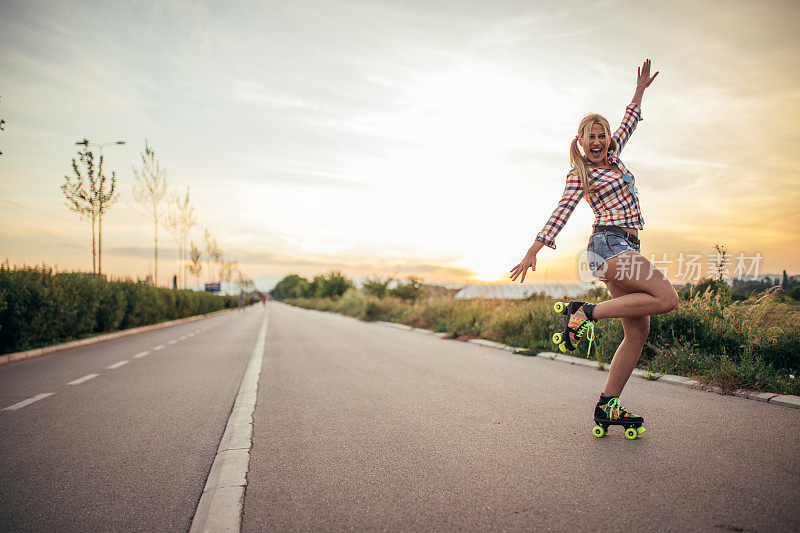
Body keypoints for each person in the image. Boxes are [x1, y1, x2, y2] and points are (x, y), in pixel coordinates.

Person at [509, 59, 679, 437]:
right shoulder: (580, 174)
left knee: (638, 332)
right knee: (667, 297)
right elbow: (562, 212)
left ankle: (608, 406)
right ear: (581, 143)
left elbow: (630, 120)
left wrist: (639, 90)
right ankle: (583, 312)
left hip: (623, 245)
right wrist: (533, 250)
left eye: (603, 135)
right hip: (608, 244)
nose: (599, 141)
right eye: (592, 137)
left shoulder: (615, 156)